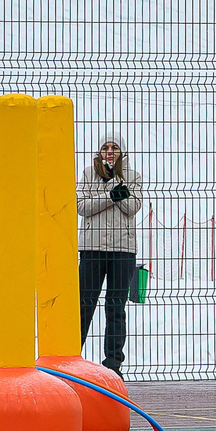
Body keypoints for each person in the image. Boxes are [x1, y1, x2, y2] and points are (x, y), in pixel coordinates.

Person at [77, 135, 143, 373]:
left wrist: (116, 187)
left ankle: (113, 363)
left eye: (114, 148)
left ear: (121, 153)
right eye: (105, 147)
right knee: (84, 304)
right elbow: (82, 206)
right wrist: (112, 194)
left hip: (122, 250)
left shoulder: (132, 176)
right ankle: (72, 356)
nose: (109, 151)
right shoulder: (87, 174)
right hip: (92, 249)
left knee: (116, 307)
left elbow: (132, 207)